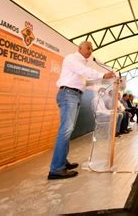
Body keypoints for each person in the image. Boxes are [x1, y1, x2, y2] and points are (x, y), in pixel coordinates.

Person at [48, 41, 115, 180]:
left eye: (92, 49)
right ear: (80, 48)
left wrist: (105, 84)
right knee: (65, 130)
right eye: (88, 48)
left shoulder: (83, 65)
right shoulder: (71, 59)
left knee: (68, 130)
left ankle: (62, 161)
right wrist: (102, 75)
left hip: (75, 95)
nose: (90, 51)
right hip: (68, 95)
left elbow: (85, 83)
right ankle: (56, 169)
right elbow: (85, 72)